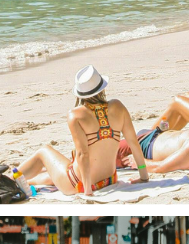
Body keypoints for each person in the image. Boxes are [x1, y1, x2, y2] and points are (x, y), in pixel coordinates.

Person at [10, 65, 149, 195]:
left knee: (43, 152)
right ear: (102, 88)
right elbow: (133, 143)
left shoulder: (75, 115)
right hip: (109, 179)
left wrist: (87, 191)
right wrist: (143, 176)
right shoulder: (118, 106)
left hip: (78, 184)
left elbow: (83, 154)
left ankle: (9, 181)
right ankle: (21, 181)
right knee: (51, 174)